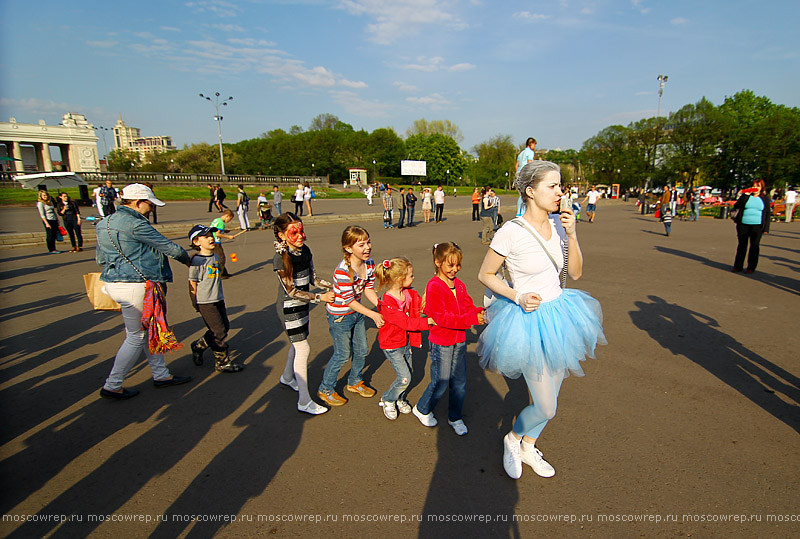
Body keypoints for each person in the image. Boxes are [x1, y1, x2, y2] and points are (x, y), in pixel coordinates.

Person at [477, 160, 606, 479]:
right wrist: (516, 296)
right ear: (531, 192)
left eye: (560, 185)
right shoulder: (511, 231)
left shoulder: (562, 224)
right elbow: (485, 274)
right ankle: (512, 438)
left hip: (561, 315)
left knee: (553, 397)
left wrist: (573, 234)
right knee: (547, 406)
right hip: (527, 320)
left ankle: (528, 443)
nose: (560, 192)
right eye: (553, 186)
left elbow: (574, 273)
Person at [96, 184, 193, 400]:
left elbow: (100, 259)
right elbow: (169, 248)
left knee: (149, 330)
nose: (151, 209)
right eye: (149, 204)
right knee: (136, 336)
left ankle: (161, 374)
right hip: (137, 284)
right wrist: (191, 261)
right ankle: (113, 384)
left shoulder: (104, 223)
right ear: (138, 202)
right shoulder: (135, 223)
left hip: (115, 282)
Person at [413, 242, 485, 436]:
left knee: (459, 381)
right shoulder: (434, 286)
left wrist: (480, 312)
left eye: (458, 265)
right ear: (438, 263)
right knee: (441, 381)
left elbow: (467, 305)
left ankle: (455, 416)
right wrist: (472, 319)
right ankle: (422, 408)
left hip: (459, 340)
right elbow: (441, 318)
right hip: (441, 342)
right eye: (450, 265)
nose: (455, 270)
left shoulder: (459, 284)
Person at [273, 213, 335, 414]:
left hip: (302, 306)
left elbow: (313, 279)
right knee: (303, 348)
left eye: (301, 231)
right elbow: (291, 291)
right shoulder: (280, 259)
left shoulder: (305, 251)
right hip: (289, 308)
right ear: (282, 235)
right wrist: (320, 298)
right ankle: (304, 401)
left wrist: (335, 285)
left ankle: (287, 377)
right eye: (293, 232)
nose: (300, 236)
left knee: (298, 344)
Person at [317, 226, 384, 406]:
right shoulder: (343, 271)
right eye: (361, 245)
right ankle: (326, 388)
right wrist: (373, 314)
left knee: (362, 350)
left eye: (368, 242)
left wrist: (380, 306)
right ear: (348, 248)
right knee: (342, 354)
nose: (367, 247)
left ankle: (354, 381)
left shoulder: (369, 263)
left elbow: (368, 289)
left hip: (357, 312)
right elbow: (349, 301)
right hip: (340, 316)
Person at [375, 257, 434, 420]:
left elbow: (419, 307)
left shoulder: (408, 294)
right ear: (400, 279)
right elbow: (407, 322)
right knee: (405, 377)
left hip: (405, 342)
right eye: (411, 276)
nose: (413, 278)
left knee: (408, 373)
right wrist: (428, 321)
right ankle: (387, 399)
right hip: (392, 345)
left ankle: (399, 398)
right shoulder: (388, 304)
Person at [187, 225, 243, 373]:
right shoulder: (197, 261)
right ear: (196, 242)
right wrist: (194, 300)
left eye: (211, 235)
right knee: (218, 331)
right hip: (205, 301)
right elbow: (192, 282)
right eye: (206, 237)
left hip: (218, 298)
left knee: (223, 327)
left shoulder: (215, 257)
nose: (211, 238)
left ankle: (199, 345)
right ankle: (222, 362)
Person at [731, 179, 771, 274]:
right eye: (754, 186)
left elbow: (767, 213)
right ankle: (738, 266)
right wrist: (746, 195)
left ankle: (751, 267)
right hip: (743, 224)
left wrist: (766, 228)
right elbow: (737, 205)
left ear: (762, 187)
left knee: (754, 246)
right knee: (742, 245)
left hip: (757, 225)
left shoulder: (764, 198)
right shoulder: (746, 196)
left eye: (758, 186)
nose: (756, 188)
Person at [211, 209, 236, 278]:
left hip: (211, 241)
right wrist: (228, 237)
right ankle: (220, 274)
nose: (229, 221)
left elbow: (215, 229)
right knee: (221, 258)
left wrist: (224, 231)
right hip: (216, 242)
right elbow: (217, 234)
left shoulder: (216, 220)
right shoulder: (221, 223)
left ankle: (224, 273)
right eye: (230, 219)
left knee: (218, 257)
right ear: (227, 216)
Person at [36, 190, 61, 254]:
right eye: (44, 195)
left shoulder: (50, 202)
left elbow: (54, 211)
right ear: (41, 196)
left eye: (46, 195)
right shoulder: (40, 203)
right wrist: (46, 223)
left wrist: (57, 220)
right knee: (50, 234)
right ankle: (51, 249)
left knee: (54, 234)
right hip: (48, 220)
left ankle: (54, 248)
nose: (45, 196)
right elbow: (42, 215)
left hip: (54, 219)